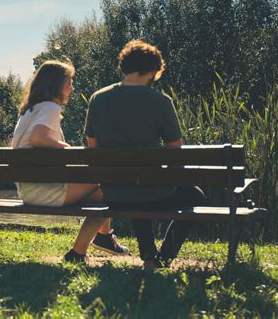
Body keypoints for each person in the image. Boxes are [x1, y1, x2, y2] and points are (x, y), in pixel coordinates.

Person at [85, 40, 205, 268]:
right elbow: (174, 148)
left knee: (135, 185)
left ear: (125, 65)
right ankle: (164, 256)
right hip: (151, 190)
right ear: (153, 70)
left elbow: (93, 146)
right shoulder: (160, 101)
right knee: (195, 195)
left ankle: (149, 255)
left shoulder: (98, 98)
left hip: (113, 191)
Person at [12, 60, 128, 263]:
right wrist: (67, 150)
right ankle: (85, 249)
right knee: (112, 189)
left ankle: (102, 238)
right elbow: (37, 138)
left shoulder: (30, 110)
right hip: (45, 190)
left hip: (28, 190)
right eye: (69, 83)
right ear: (55, 85)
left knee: (102, 193)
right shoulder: (50, 107)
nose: (72, 88)